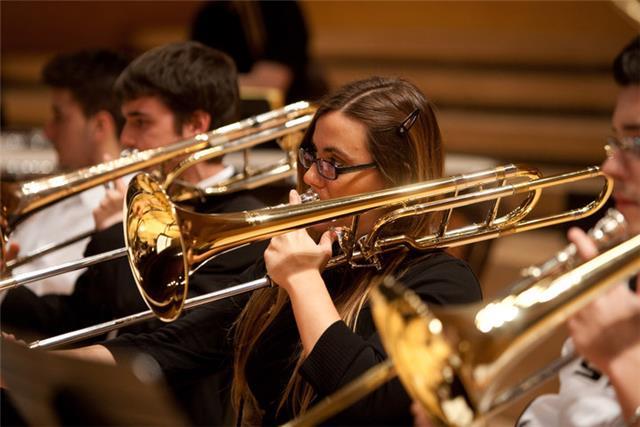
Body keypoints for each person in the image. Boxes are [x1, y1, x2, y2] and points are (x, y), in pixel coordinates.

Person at [55, 76, 482, 425]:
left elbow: (369, 405)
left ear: (397, 177)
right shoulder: (309, 259)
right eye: (311, 155)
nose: (312, 177)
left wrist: (301, 281)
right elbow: (175, 346)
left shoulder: (444, 282)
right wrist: (40, 364)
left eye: (333, 163)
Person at [1, 41, 269, 426]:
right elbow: (80, 317)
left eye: (141, 122)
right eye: (126, 120)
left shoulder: (239, 222)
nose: (126, 138)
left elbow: (156, 333)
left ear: (196, 125)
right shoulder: (149, 203)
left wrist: (113, 233)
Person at [517, 36, 640, 427]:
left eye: (637, 143)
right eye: (617, 141)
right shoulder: (625, 279)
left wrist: (623, 359)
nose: (611, 168)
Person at [4, 49, 128, 296]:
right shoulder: (60, 188)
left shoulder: (117, 208)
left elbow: (61, 311)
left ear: (99, 126)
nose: (48, 131)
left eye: (59, 117)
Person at [191, 0, 328, 104]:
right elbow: (198, 82)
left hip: (284, 114)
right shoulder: (210, 13)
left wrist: (214, 85)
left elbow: (270, 86)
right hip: (227, 115)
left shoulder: (280, 8)